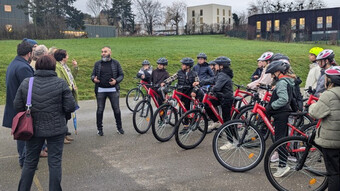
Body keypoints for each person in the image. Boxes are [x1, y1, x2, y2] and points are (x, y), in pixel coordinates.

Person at [14, 55, 76, 191]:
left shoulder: (27, 83)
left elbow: (17, 105)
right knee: (54, 163)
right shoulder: (60, 83)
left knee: (29, 162)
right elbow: (71, 106)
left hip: (32, 129)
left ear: (37, 66)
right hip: (56, 128)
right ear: (53, 67)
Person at [3, 41, 34, 168]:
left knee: (22, 134)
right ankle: (25, 160)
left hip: (14, 105)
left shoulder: (13, 64)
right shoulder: (23, 68)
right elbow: (29, 90)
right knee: (24, 134)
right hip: (22, 108)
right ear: (29, 53)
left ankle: (24, 158)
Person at [309, 66, 340, 191]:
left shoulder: (328, 95)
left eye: (326, 78)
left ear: (330, 80)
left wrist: (312, 104)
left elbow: (315, 113)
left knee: (334, 173)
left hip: (331, 141)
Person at [265, 60, 296, 178]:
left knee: (280, 140)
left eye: (272, 73)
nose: (272, 75)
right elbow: (290, 98)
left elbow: (284, 99)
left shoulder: (282, 82)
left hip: (281, 114)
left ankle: (283, 166)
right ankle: (281, 163)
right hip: (282, 113)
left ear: (278, 71)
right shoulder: (286, 80)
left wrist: (271, 106)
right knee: (280, 138)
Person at [91, 46, 124, 136]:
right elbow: (92, 75)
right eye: (102, 52)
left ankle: (119, 127)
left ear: (110, 52)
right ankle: (99, 129)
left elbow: (121, 75)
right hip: (101, 90)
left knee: (116, 110)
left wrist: (116, 81)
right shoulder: (97, 64)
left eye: (105, 51)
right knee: (100, 110)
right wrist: (94, 79)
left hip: (113, 90)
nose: (103, 53)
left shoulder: (115, 63)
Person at [54, 49, 79, 144]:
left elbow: (71, 77)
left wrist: (75, 67)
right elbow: (60, 81)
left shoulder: (65, 66)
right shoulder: (57, 67)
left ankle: (64, 134)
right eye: (67, 55)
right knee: (64, 116)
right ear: (63, 57)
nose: (68, 56)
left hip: (69, 92)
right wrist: (70, 87)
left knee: (67, 115)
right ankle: (62, 137)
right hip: (64, 94)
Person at [206, 56, 234, 131]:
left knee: (226, 121)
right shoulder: (220, 73)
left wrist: (210, 90)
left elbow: (217, 87)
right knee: (207, 105)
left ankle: (232, 140)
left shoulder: (223, 75)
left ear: (221, 66)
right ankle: (216, 122)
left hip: (226, 99)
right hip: (221, 97)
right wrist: (201, 82)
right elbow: (213, 80)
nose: (215, 66)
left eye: (216, 64)